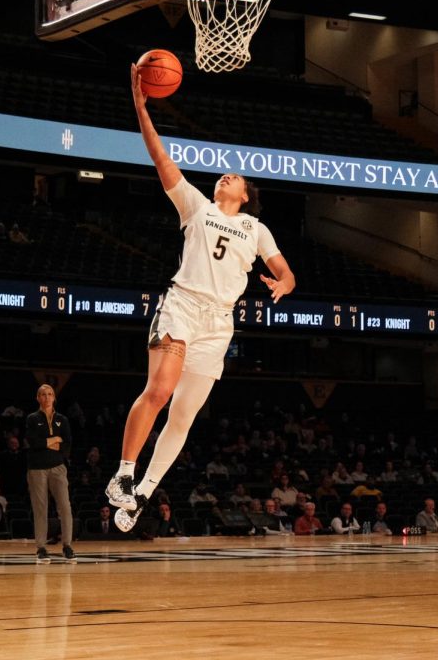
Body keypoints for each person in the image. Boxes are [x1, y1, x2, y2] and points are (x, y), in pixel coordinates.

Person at [106, 64, 295, 531]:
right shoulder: (197, 205)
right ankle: (123, 476)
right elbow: (160, 158)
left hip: (219, 322)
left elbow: (285, 271)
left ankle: (143, 494)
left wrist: (283, 284)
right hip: (183, 307)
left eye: (234, 178)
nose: (226, 177)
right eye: (224, 175)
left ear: (247, 196)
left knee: (184, 416)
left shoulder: (256, 228)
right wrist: (140, 107)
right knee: (160, 391)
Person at [26, 383, 75, 564]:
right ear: (38, 398)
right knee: (41, 508)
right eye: (43, 395)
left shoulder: (62, 419)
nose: (47, 397)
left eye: (50, 394)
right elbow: (33, 442)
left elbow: (67, 446)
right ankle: (41, 547)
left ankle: (67, 545)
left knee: (65, 506)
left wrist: (46, 443)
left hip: (58, 467)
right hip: (37, 468)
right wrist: (54, 440)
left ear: (54, 397)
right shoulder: (32, 418)